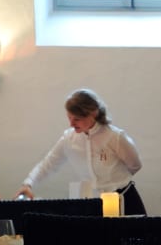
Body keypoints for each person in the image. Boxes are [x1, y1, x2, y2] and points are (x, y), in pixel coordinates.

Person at [18, 89, 147, 214]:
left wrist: (116, 181)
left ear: (93, 113)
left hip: (124, 199)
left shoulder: (115, 137)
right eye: (69, 118)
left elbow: (135, 165)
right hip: (94, 203)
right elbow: (49, 163)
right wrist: (28, 184)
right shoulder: (69, 139)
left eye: (76, 119)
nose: (71, 124)